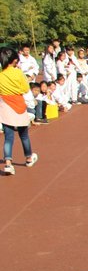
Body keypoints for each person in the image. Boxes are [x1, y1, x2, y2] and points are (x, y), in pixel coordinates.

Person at [1, 47, 37, 175]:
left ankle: (8, 164)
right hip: (19, 104)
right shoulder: (18, 73)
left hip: (5, 105)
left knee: (8, 137)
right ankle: (28, 158)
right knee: (24, 135)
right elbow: (26, 89)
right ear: (15, 60)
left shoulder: (1, 74)